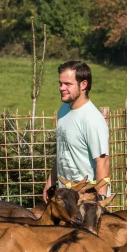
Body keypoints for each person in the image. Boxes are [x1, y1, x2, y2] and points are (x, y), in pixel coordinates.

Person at [42, 60, 110, 203]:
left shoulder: (92, 118)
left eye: (68, 84)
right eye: (60, 83)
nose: (62, 88)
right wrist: (51, 182)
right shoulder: (63, 110)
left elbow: (103, 162)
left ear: (83, 84)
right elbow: (63, 151)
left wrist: (100, 200)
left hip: (86, 200)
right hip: (65, 198)